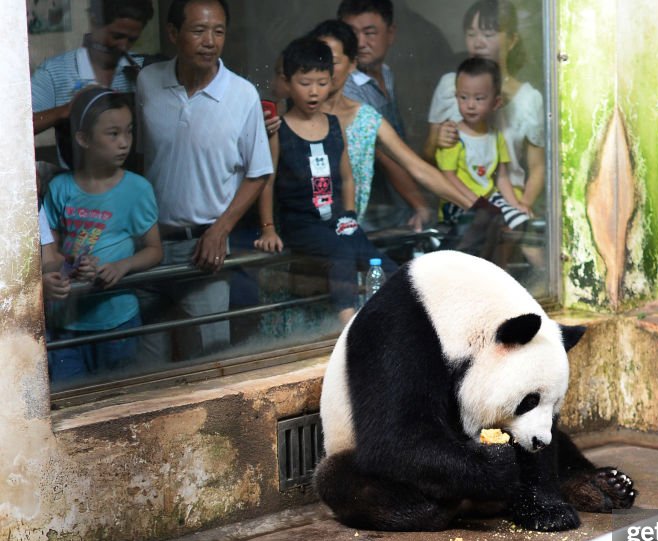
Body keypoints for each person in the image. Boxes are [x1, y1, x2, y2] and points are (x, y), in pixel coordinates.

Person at [134, 0, 272, 361]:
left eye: (219, 31)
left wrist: (219, 231)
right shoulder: (148, 82)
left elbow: (258, 172)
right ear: (173, 33)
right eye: (198, 30)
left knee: (210, 361)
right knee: (146, 364)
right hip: (147, 246)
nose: (210, 41)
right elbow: (138, 157)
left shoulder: (242, 95)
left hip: (204, 248)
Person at [254, 37, 394, 318]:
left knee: (376, 259)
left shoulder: (334, 125)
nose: (314, 92)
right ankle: (348, 320)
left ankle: (406, 310)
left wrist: (350, 214)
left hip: (338, 220)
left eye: (322, 82)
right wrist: (268, 229)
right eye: (305, 84)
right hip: (301, 224)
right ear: (289, 83)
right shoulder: (279, 130)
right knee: (341, 252)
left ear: (332, 80)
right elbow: (266, 182)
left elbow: (347, 176)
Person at [42, 88, 162, 382]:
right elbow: (49, 252)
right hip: (67, 321)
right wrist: (64, 266)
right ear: (83, 139)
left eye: (129, 132)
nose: (124, 143)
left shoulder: (137, 189)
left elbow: (155, 250)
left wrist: (122, 266)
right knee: (71, 402)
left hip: (117, 321)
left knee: (117, 400)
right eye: (113, 134)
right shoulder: (60, 188)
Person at [306, 19, 477, 223]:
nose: (323, 68)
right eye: (317, 59)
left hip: (345, 233)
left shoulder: (366, 118)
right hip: (301, 232)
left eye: (331, 61)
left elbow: (418, 168)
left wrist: (479, 211)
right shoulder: (295, 114)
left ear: (352, 63)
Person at [425, 0, 545, 215]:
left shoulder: (529, 99)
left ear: (512, 41)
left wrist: (523, 206)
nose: (478, 43)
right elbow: (427, 155)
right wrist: (437, 141)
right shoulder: (448, 85)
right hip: (461, 198)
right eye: (471, 34)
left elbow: (538, 167)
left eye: (488, 35)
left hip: (509, 199)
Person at [337, 0, 434, 230]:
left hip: (397, 209)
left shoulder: (387, 73)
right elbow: (386, 155)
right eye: (352, 34)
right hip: (367, 215)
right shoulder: (346, 87)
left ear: (390, 34)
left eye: (370, 33)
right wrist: (420, 203)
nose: (360, 43)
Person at [31, 0, 154, 166]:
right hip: (78, 186)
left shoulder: (141, 70)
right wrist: (66, 110)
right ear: (94, 20)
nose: (123, 46)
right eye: (116, 36)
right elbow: (17, 128)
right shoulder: (53, 72)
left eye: (132, 39)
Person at [435, 57, 530, 230]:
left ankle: (497, 257)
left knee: (518, 222)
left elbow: (501, 177)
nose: (470, 105)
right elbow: (447, 176)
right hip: (457, 200)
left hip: (489, 197)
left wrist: (515, 204)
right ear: (456, 97)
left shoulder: (496, 136)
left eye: (479, 99)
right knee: (483, 225)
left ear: (496, 102)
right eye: (463, 97)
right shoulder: (451, 135)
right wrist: (474, 201)